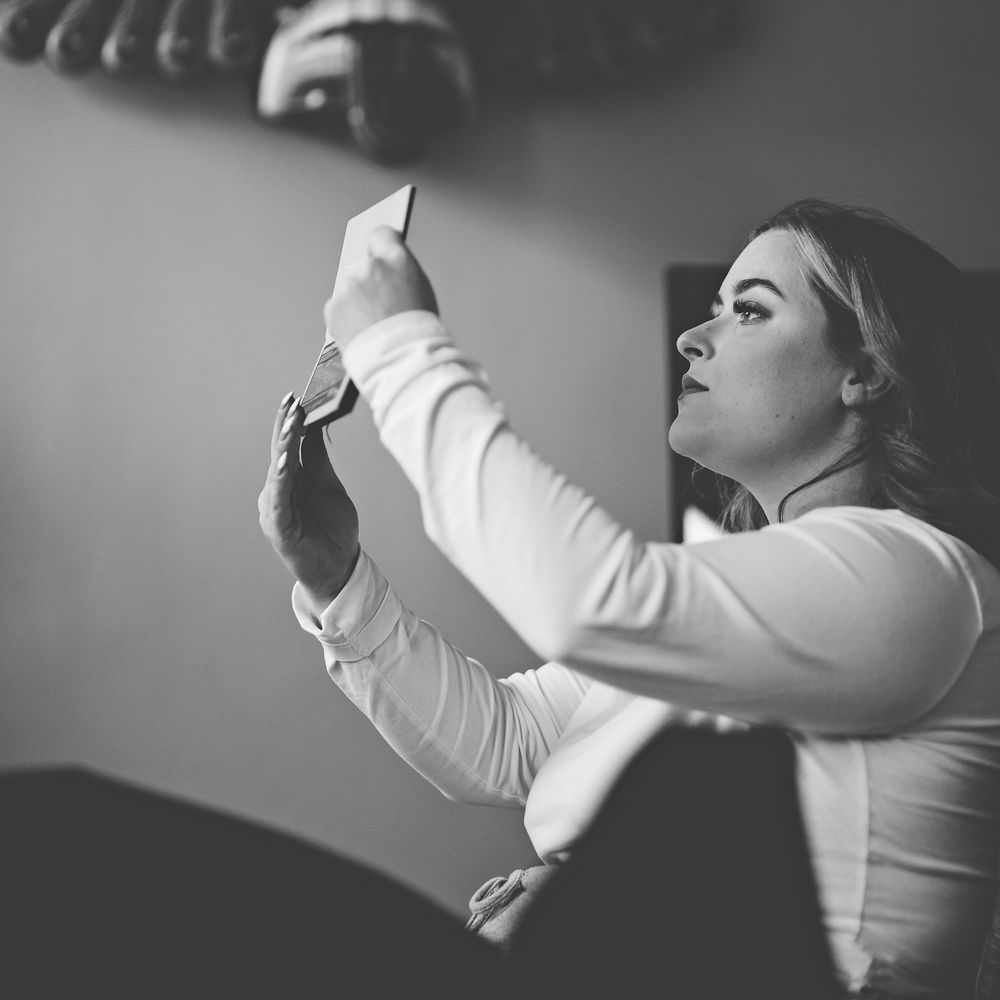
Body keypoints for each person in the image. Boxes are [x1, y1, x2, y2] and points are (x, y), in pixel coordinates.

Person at [258, 199, 1000, 998]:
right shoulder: (733, 589)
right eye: (714, 307)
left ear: (868, 371)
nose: (694, 335)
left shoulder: (918, 576)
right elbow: (512, 741)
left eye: (749, 309)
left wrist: (400, 346)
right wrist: (337, 578)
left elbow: (587, 601)